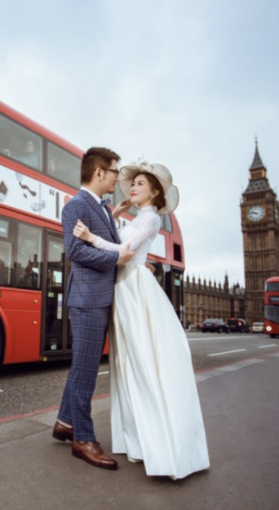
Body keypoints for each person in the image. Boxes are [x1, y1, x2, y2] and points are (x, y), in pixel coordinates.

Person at [72, 161, 209, 480]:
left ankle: (158, 443)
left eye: (140, 184)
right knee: (128, 364)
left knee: (142, 361)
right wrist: (115, 215)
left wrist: (90, 237)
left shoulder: (150, 218)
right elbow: (120, 241)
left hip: (134, 291)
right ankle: (139, 439)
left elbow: (124, 251)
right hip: (124, 289)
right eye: (132, 183)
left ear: (155, 193)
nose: (132, 187)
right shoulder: (136, 217)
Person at [52, 147, 133, 470]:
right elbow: (75, 251)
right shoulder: (75, 206)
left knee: (82, 367)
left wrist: (114, 217)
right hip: (87, 300)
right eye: (115, 171)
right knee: (85, 371)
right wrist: (116, 258)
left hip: (97, 298)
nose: (117, 178)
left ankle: (65, 422)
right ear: (99, 172)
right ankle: (83, 440)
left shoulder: (100, 207)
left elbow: (102, 239)